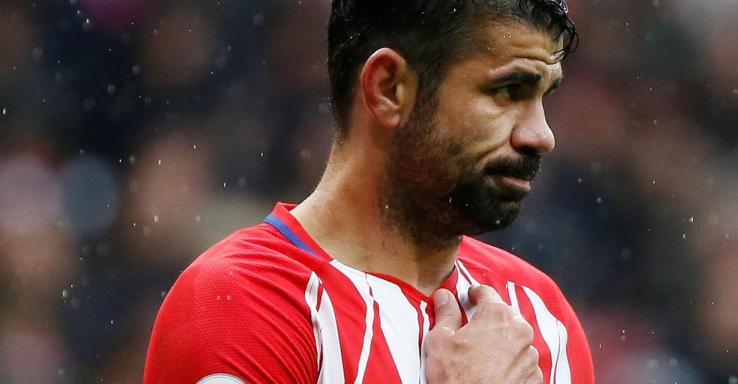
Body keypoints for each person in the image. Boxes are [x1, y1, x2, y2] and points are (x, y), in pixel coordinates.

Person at [143, 0, 593, 383]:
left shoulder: (541, 316)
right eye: (509, 91)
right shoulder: (242, 302)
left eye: (544, 97)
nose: (541, 135)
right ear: (389, 88)